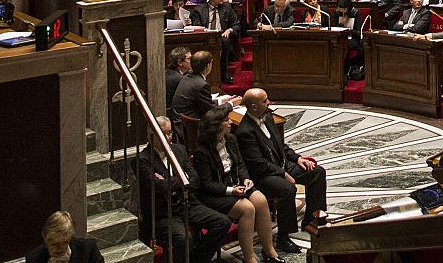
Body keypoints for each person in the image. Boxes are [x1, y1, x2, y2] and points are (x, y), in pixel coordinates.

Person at [235, 89, 327, 252]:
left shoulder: (268, 118)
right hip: (264, 175)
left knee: (317, 172)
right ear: (254, 106)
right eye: (265, 101)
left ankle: (311, 221)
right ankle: (283, 237)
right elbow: (259, 164)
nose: (269, 102)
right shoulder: (244, 131)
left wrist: (297, 158)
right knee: (287, 189)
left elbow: (281, 146)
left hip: (281, 165)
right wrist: (284, 174)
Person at [190, 107, 283, 263]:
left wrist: (246, 179)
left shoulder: (231, 140)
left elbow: (240, 165)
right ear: (216, 126)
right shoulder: (202, 152)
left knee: (260, 200)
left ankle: (269, 250)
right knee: (247, 208)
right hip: (216, 194)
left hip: (236, 186)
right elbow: (205, 184)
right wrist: (231, 191)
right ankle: (249, 258)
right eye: (226, 120)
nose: (231, 122)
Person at [136, 116, 231, 263]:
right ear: (152, 136)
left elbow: (195, 180)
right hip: (165, 212)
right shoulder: (143, 159)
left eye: (170, 133)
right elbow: (159, 187)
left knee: (222, 222)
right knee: (183, 239)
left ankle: (197, 259)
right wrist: (182, 179)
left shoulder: (179, 150)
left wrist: (169, 181)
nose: (168, 137)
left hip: (187, 204)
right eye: (164, 134)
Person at [24, 211, 104, 263]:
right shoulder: (33, 259)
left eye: (65, 242)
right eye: (54, 244)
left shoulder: (88, 249)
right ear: (45, 239)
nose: (60, 248)